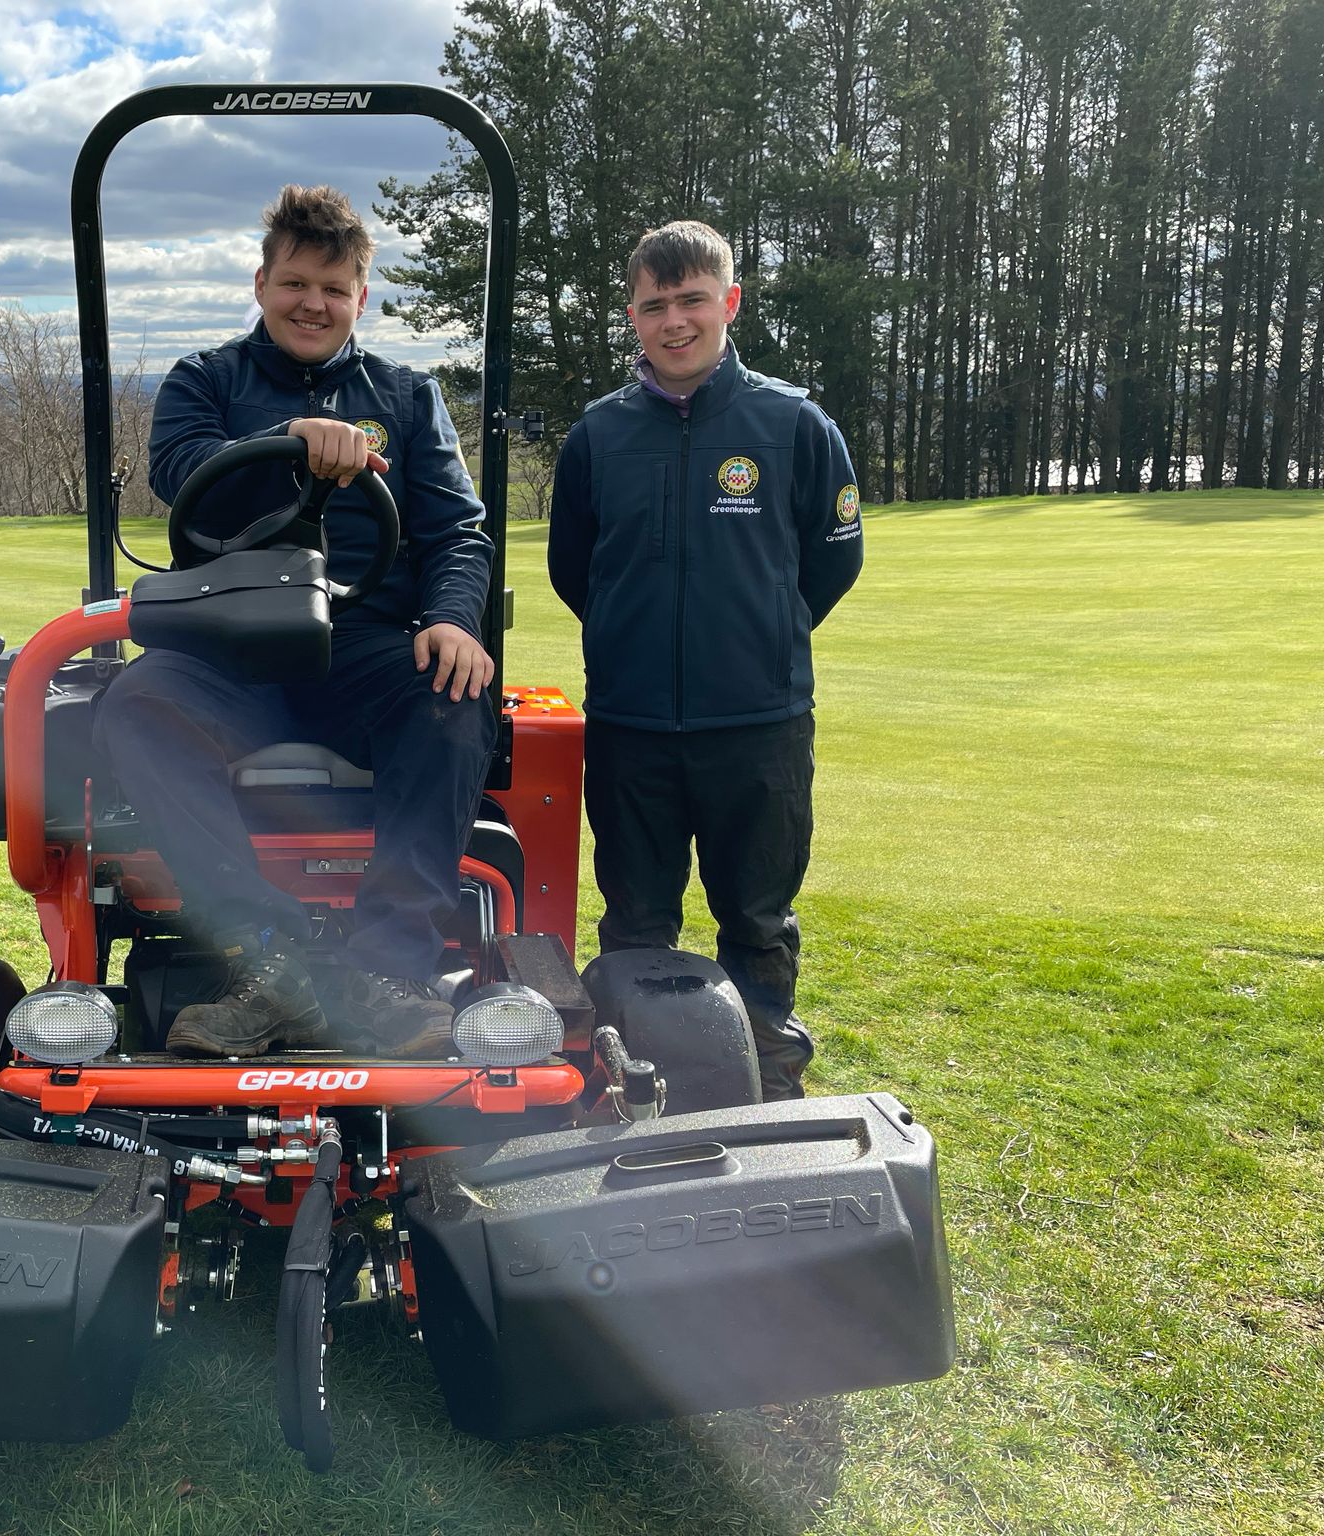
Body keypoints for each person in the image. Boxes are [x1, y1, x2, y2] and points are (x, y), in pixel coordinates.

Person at [96, 185, 496, 1059]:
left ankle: (387, 971)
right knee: (137, 701)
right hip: (231, 646)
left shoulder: (405, 394)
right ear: (261, 283)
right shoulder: (206, 381)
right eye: (294, 283)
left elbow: (458, 530)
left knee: (454, 697)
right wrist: (290, 437)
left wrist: (453, 618)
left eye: (334, 287)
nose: (313, 303)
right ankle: (271, 964)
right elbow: (180, 468)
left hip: (362, 646)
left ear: (362, 298)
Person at [547, 220, 863, 1100]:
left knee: (757, 920)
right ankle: (637, 1082)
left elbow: (833, 560)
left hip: (758, 727)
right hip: (632, 729)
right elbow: (575, 571)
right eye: (655, 305)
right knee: (638, 920)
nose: (674, 321)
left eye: (692, 300)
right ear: (633, 317)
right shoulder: (598, 436)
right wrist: (633, 639)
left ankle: (767, 1077)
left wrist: (760, 637)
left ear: (728, 302)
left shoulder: (793, 423)